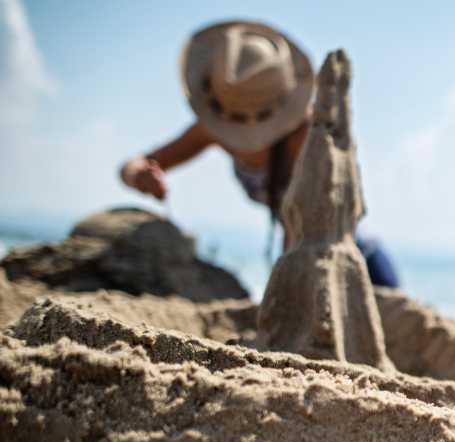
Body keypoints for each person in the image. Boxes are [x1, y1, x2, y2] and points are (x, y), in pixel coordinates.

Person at [117, 20, 399, 287]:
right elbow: (136, 164)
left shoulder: (309, 137)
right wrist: (140, 175)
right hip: (297, 255)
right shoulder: (214, 128)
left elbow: (302, 230)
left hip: (350, 260)